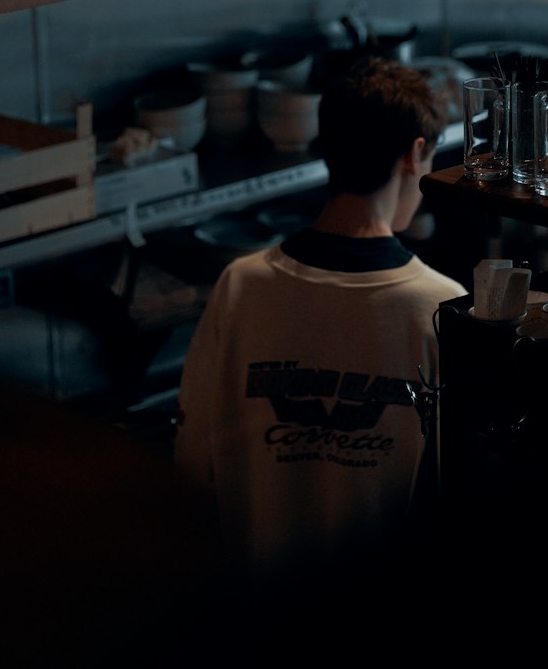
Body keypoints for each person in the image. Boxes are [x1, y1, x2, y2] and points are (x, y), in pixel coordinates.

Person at [172, 56, 467, 591]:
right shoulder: (442, 309)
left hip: (252, 621)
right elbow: (459, 498)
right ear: (415, 154)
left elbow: (192, 467)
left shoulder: (240, 286)